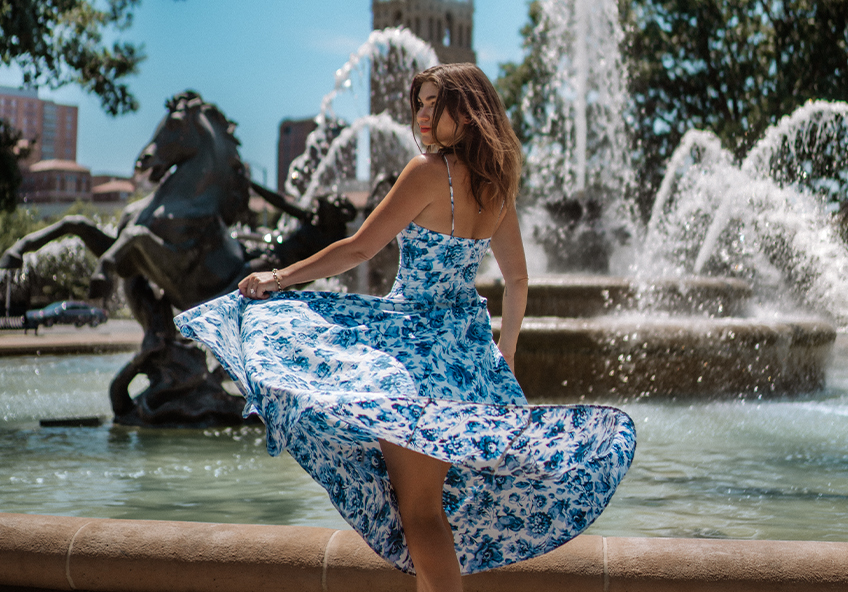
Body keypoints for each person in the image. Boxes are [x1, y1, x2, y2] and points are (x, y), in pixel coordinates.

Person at [175, 63, 635, 592]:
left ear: (467, 112)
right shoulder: (496, 186)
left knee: (420, 513)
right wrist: (504, 354)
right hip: (465, 357)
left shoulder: (426, 173)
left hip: (413, 356)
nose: (422, 114)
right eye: (419, 103)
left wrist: (278, 277)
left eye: (435, 102)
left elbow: (358, 250)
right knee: (427, 510)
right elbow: (517, 279)